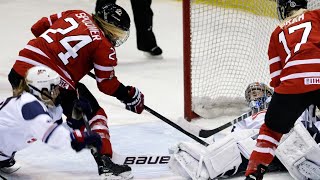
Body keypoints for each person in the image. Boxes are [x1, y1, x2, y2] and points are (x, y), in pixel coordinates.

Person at [8, 2, 144, 179]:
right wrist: (128, 95)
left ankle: (2, 153)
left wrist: (65, 54)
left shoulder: (76, 13)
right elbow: (106, 84)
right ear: (110, 26)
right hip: (53, 83)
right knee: (92, 114)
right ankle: (105, 162)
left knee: (25, 116)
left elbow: (38, 27)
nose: (117, 37)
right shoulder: (104, 46)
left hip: (20, 70)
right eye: (118, 31)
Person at [168, 82, 320, 180]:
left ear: (269, 94)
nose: (255, 95)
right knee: (240, 141)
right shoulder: (245, 118)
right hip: (262, 145)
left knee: (299, 132)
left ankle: (309, 163)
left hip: (287, 139)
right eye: (252, 94)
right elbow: (235, 136)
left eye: (259, 92)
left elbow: (304, 121)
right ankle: (205, 166)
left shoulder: (284, 105)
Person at [244, 0, 320, 179]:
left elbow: (277, 78)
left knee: (271, 130)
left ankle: (254, 172)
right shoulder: (316, 15)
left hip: (290, 85)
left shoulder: (276, 32)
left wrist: (283, 108)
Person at [0, 66, 102, 174]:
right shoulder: (29, 105)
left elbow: (55, 130)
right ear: (41, 90)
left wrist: (74, 121)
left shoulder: (49, 108)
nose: (57, 92)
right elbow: (54, 137)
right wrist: (82, 139)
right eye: (54, 88)